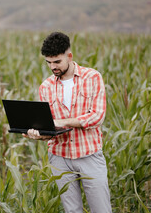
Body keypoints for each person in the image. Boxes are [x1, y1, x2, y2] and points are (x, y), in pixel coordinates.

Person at [22, 32, 112, 212]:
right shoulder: (45, 87)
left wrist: (62, 121)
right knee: (72, 210)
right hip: (59, 157)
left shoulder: (92, 77)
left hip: (89, 155)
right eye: (48, 62)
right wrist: (37, 134)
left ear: (69, 56)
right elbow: (50, 127)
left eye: (57, 62)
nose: (52, 67)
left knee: (101, 209)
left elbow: (97, 116)